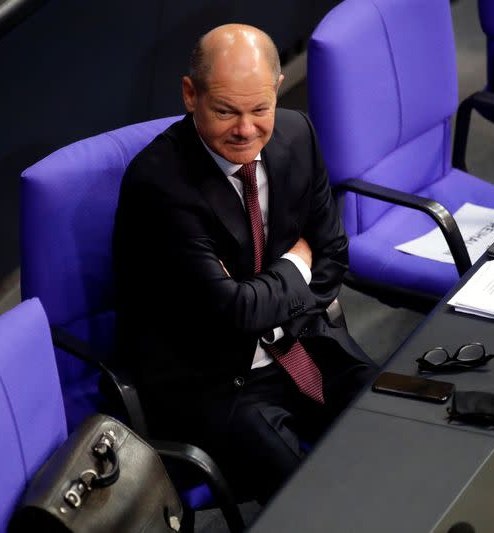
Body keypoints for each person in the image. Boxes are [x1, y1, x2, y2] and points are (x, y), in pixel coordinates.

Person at [113, 23, 377, 502]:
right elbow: (231, 312)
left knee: (392, 422)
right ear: (190, 95)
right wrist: (296, 265)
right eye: (226, 111)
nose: (246, 129)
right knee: (309, 493)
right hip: (213, 381)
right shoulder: (159, 185)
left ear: (276, 90)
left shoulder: (297, 134)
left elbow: (334, 256)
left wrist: (262, 298)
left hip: (302, 342)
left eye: (260, 108)